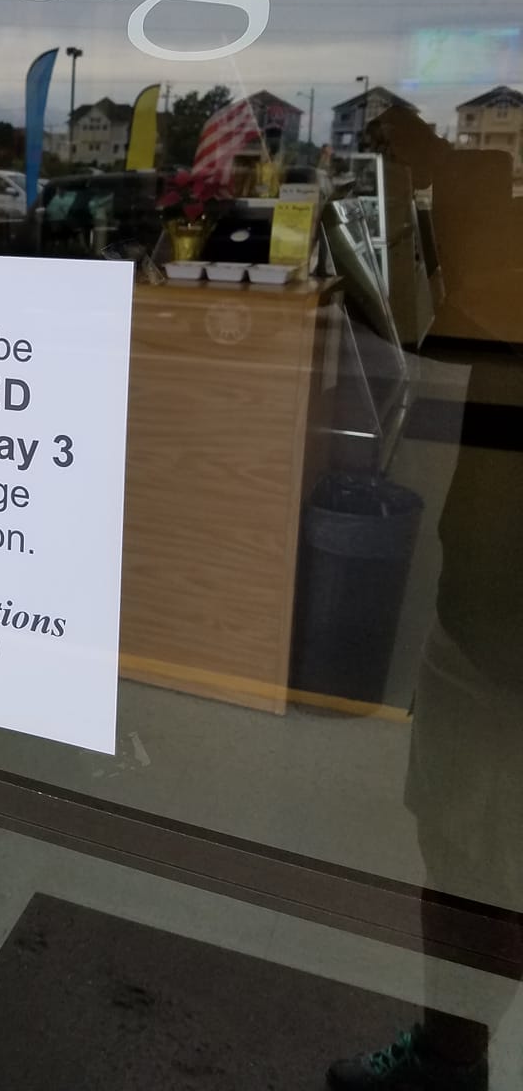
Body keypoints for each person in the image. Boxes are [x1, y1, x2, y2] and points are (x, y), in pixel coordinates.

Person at [328, 351, 523, 1091]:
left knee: (473, 872)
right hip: (483, 605)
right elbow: (438, 332)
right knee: (461, 865)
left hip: (495, 632)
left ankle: (449, 1062)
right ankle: (448, 1060)